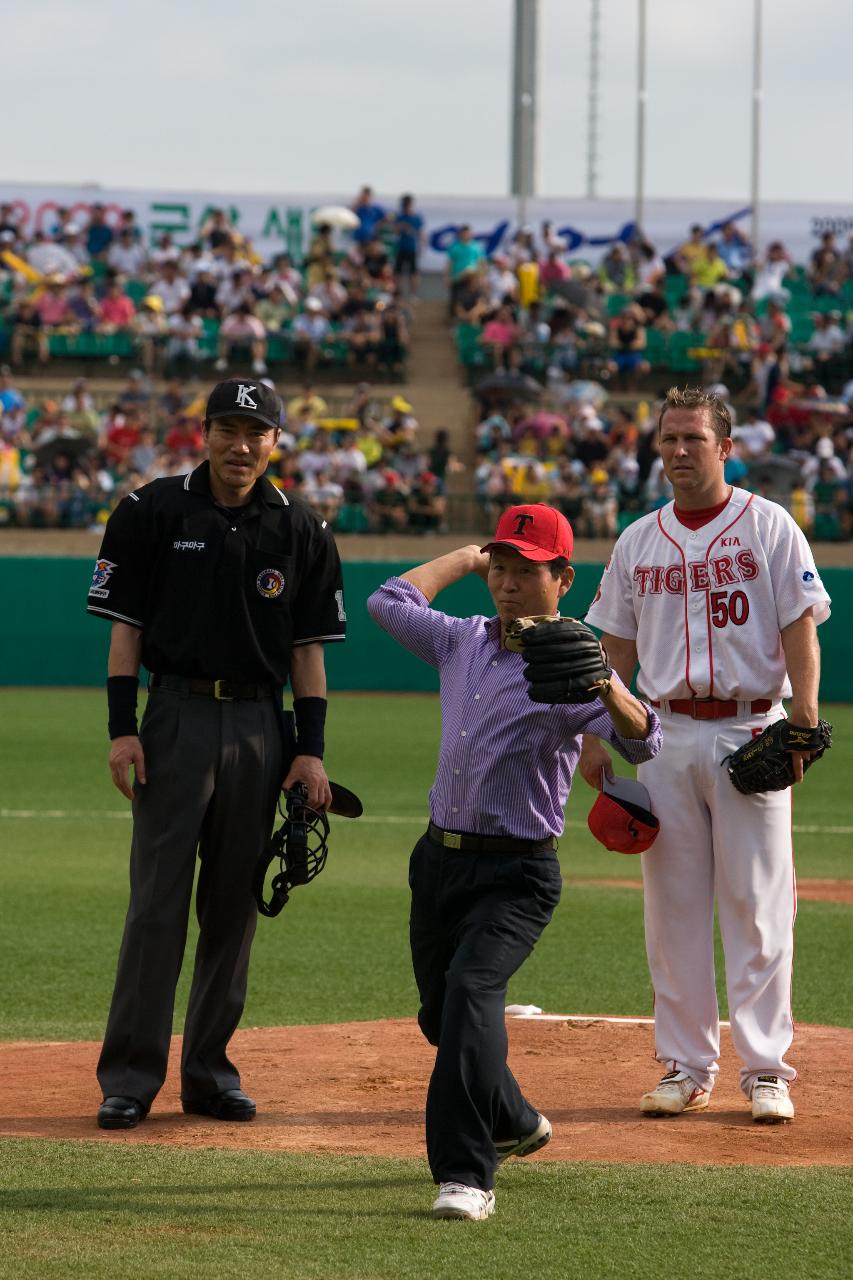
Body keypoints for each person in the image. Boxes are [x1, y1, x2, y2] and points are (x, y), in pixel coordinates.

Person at [367, 504, 660, 1221]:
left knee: (470, 997)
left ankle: (465, 1176)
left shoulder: (570, 667)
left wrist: (604, 684)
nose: (506, 582)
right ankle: (518, 1120)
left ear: (562, 578)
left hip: (517, 875)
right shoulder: (457, 641)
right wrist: (465, 557)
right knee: (444, 1019)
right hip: (437, 862)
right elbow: (387, 600)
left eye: (525, 570)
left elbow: (642, 741)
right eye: (499, 568)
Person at [87, 377, 347, 1131]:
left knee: (233, 910)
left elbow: (307, 655)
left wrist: (310, 752)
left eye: (255, 433)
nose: (241, 446)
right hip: (173, 715)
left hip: (262, 727)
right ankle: (130, 1078)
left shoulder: (301, 527)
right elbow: (125, 633)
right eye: (227, 430)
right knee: (156, 907)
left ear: (276, 442)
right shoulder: (150, 510)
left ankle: (208, 1075)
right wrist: (121, 727)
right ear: (202, 433)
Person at [581, 386, 831, 1125]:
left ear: (724, 448)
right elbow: (613, 649)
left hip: (750, 726)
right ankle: (686, 1067)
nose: (679, 451)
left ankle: (764, 1070)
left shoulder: (769, 525)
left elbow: (799, 628)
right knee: (673, 907)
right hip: (658, 731)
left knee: (756, 906)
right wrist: (598, 735)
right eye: (668, 440)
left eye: (693, 438)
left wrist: (803, 722)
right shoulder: (638, 539)